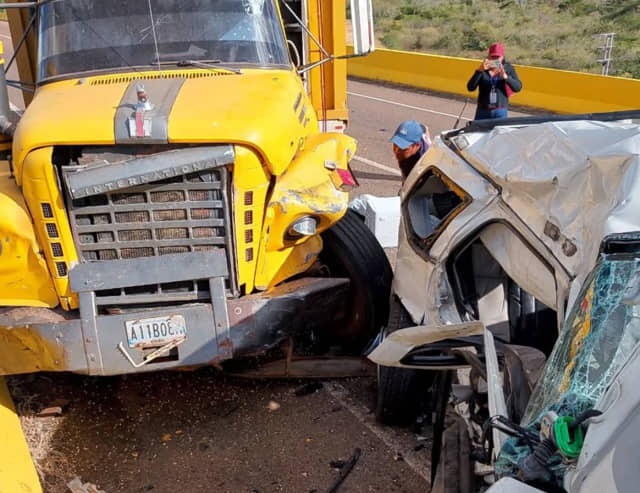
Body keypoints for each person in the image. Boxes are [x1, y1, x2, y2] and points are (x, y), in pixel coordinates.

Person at [467, 42, 522, 120]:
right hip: (483, 111)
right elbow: (470, 87)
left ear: (502, 57)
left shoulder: (508, 68)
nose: (495, 59)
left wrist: (506, 78)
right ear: (488, 56)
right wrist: (479, 71)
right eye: (493, 57)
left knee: (500, 132)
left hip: (500, 111)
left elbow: (518, 87)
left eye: (498, 57)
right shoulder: (483, 69)